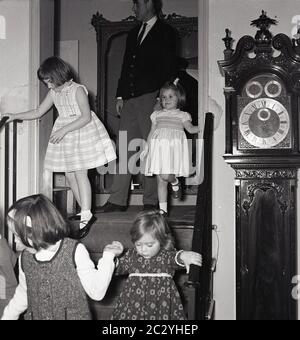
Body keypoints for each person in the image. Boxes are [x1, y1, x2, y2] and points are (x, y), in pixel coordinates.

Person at [1, 56, 116, 239]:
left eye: (49, 81)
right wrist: (14, 115)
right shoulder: (54, 93)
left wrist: (64, 130)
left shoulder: (77, 90)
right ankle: (85, 211)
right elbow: (39, 111)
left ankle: (86, 214)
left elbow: (85, 117)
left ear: (58, 74)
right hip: (66, 134)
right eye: (46, 82)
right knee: (69, 175)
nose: (48, 86)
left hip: (81, 131)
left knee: (80, 173)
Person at [99, 0, 179, 213]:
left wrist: (160, 100)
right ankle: (117, 200)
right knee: (125, 148)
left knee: (151, 149)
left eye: (137, 4)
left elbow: (170, 67)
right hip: (130, 100)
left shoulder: (167, 32)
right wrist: (119, 96)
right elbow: (126, 66)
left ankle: (151, 201)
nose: (133, 9)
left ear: (149, 4)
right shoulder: (134, 32)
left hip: (151, 97)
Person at [1, 194, 123, 320]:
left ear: (36, 231)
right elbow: (23, 293)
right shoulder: (25, 258)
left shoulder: (74, 252)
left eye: (17, 235)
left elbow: (97, 292)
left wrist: (108, 257)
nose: (15, 241)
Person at [111, 210, 202, 320]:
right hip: (132, 306)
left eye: (149, 245)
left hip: (162, 306)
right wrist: (110, 257)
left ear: (162, 240)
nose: (143, 249)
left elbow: (176, 257)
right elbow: (118, 267)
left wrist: (184, 255)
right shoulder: (132, 255)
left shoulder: (166, 256)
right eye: (138, 244)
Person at [140, 80, 201, 216]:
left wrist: (204, 126)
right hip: (158, 149)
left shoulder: (182, 115)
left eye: (170, 96)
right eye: (164, 97)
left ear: (179, 98)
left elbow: (190, 130)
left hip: (172, 150)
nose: (166, 99)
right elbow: (151, 132)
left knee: (166, 175)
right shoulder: (157, 114)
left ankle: (175, 182)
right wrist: (146, 149)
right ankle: (163, 211)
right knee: (160, 181)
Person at [0, 233, 18, 318]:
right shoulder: (3, 243)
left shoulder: (1, 249)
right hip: (6, 291)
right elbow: (14, 260)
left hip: (6, 295)